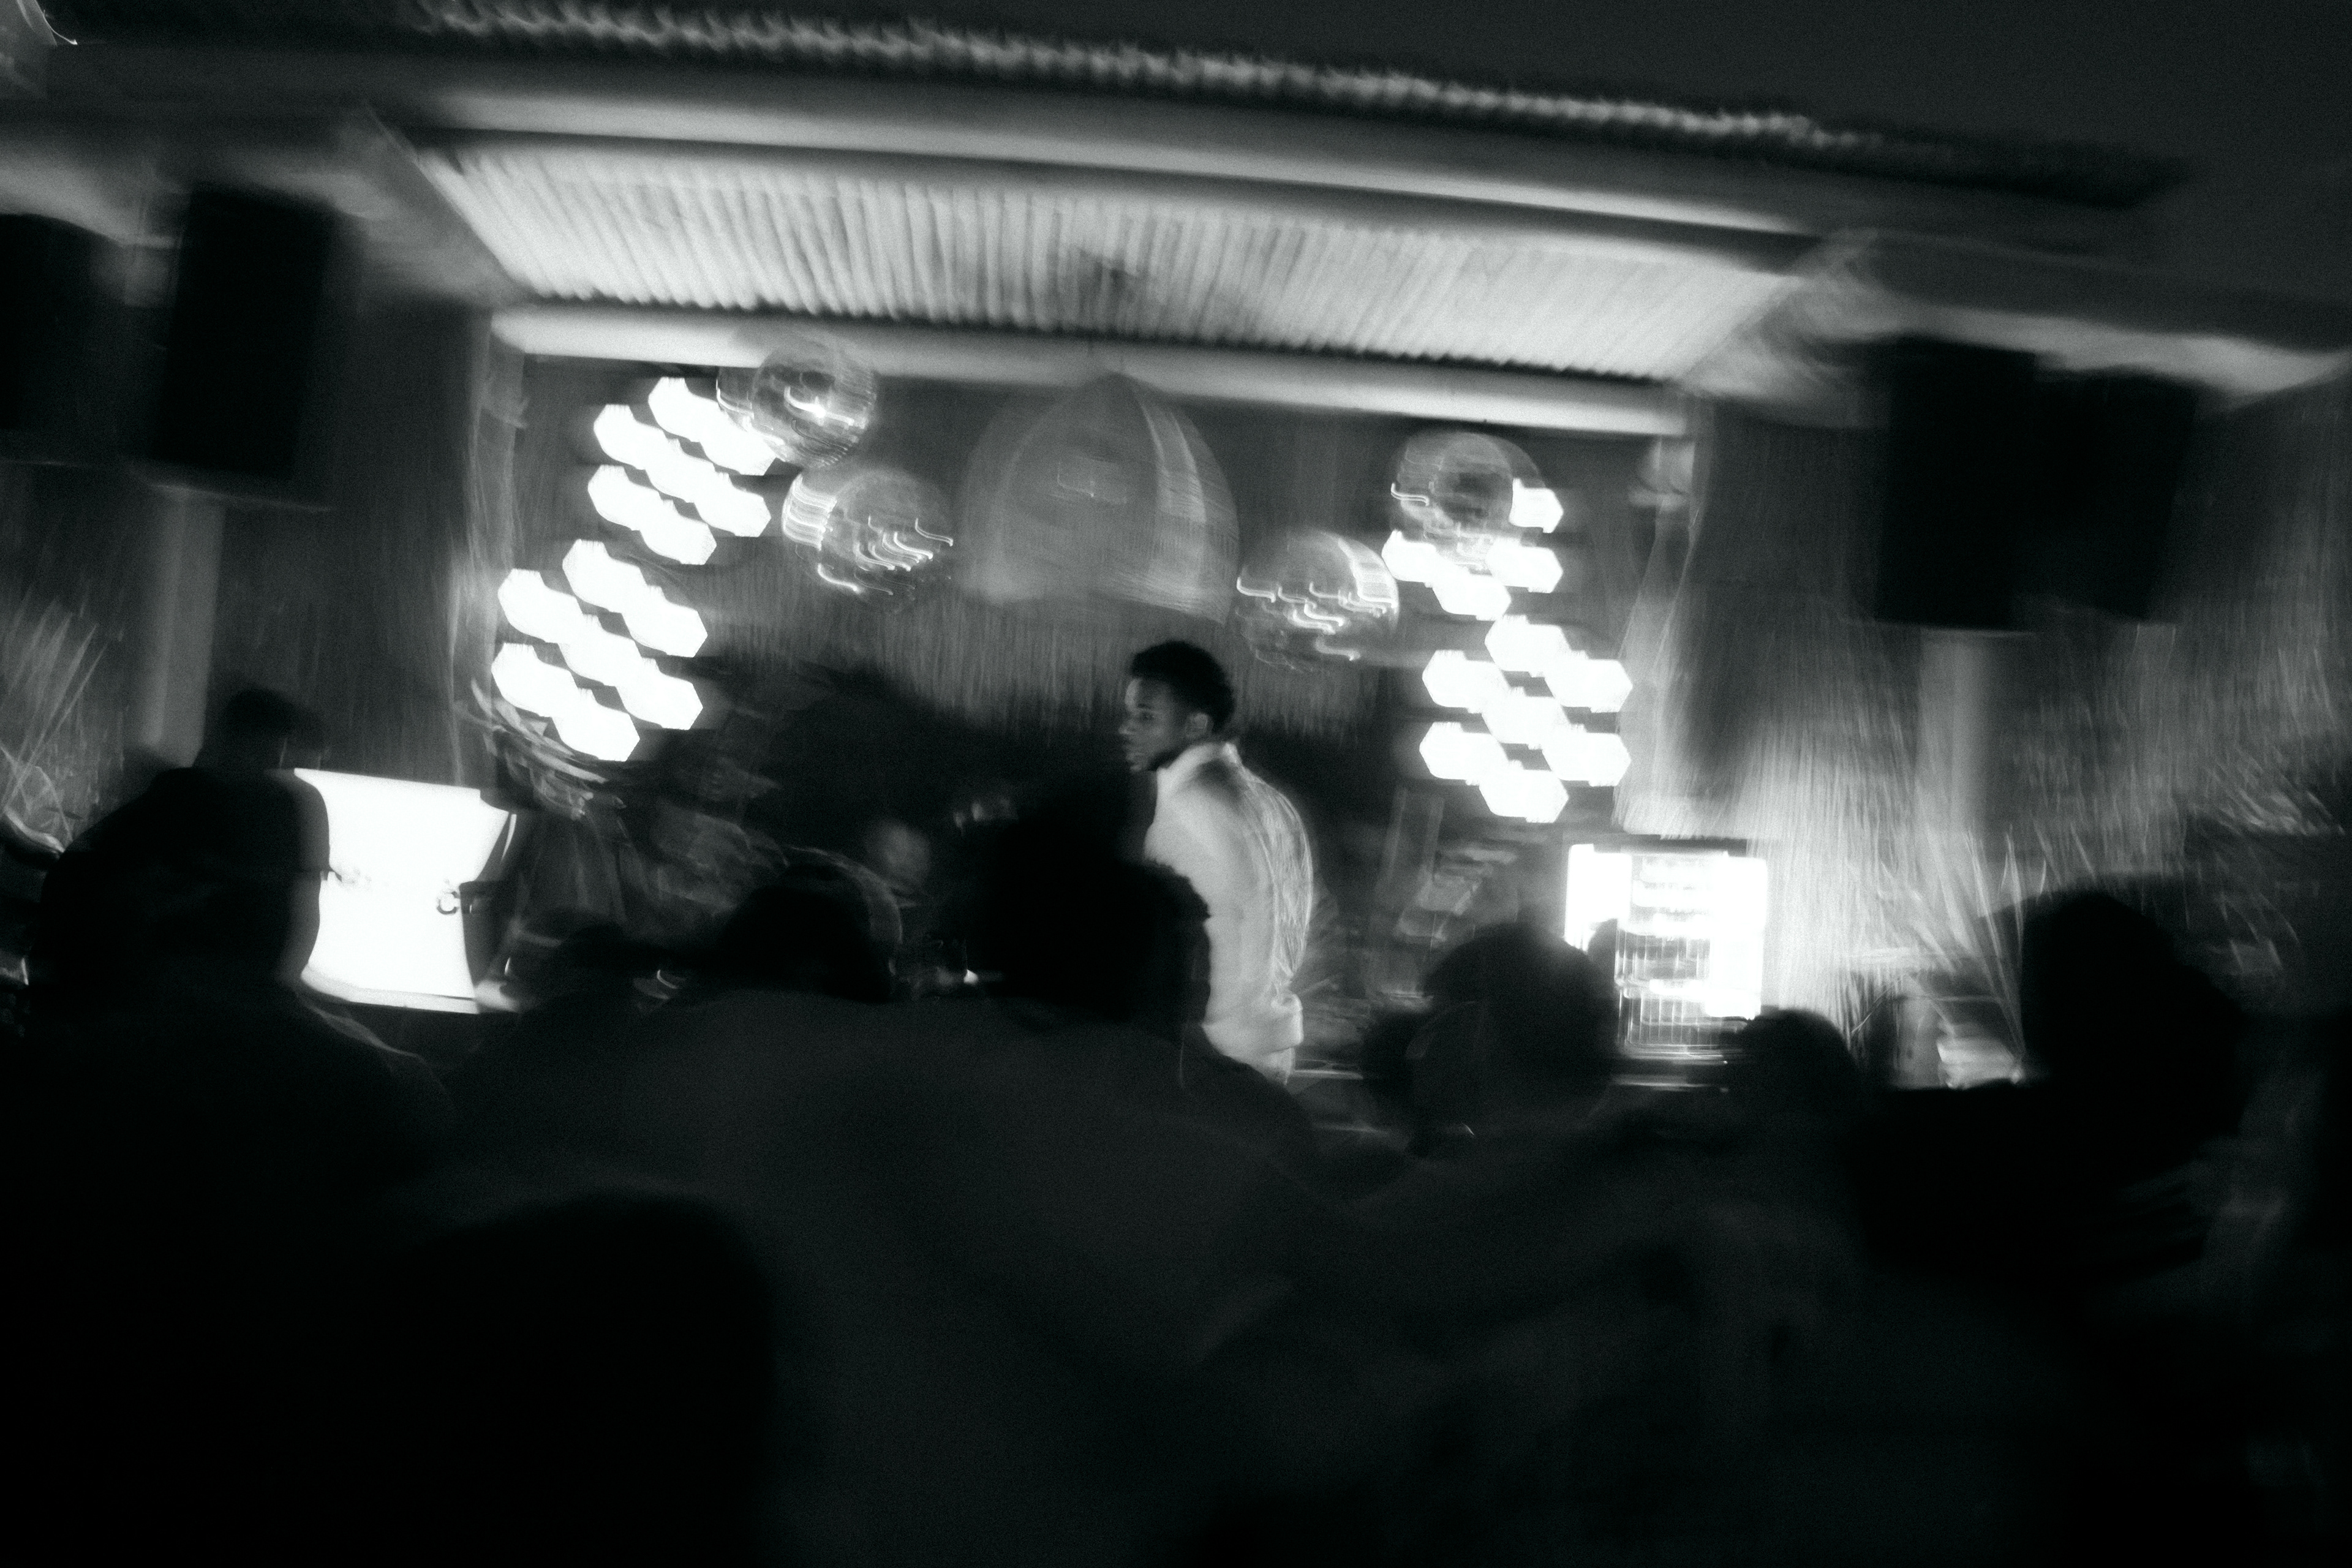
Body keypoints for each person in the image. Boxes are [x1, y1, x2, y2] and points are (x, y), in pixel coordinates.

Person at [1119, 641, 1314, 1079]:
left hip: (1213, 1057)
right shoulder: (1270, 801)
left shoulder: (1192, 806)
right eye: (1130, 715)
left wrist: (1191, 1048)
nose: (1127, 729)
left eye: (1145, 717)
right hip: (1267, 1047)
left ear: (1196, 724)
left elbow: (1217, 938)